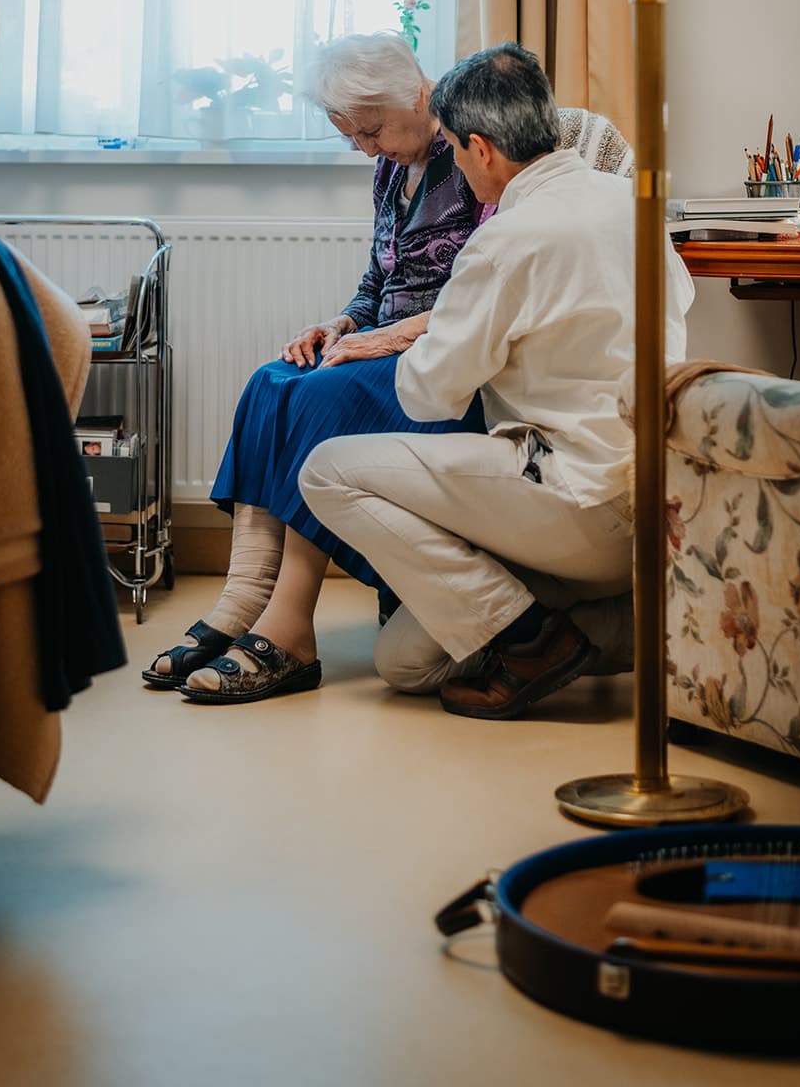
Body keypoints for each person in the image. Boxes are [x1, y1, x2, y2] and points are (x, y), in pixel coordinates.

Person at [298, 42, 695, 719]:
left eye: (451, 147)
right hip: (656, 496)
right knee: (407, 665)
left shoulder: (504, 239)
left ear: (480, 149)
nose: (451, 160)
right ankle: (632, 624)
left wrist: (423, 334)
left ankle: (526, 634)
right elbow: (680, 304)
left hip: (575, 502)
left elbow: (428, 395)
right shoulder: (631, 201)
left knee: (326, 470)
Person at [142, 32, 490, 692]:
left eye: (372, 130)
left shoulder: (475, 160)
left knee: (317, 395)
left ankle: (291, 632)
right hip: (380, 349)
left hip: (443, 363)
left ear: (418, 93)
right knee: (270, 382)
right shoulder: (392, 168)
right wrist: (340, 324)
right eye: (351, 137)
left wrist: (388, 338)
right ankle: (240, 603)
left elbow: (488, 295)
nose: (365, 149)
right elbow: (376, 283)